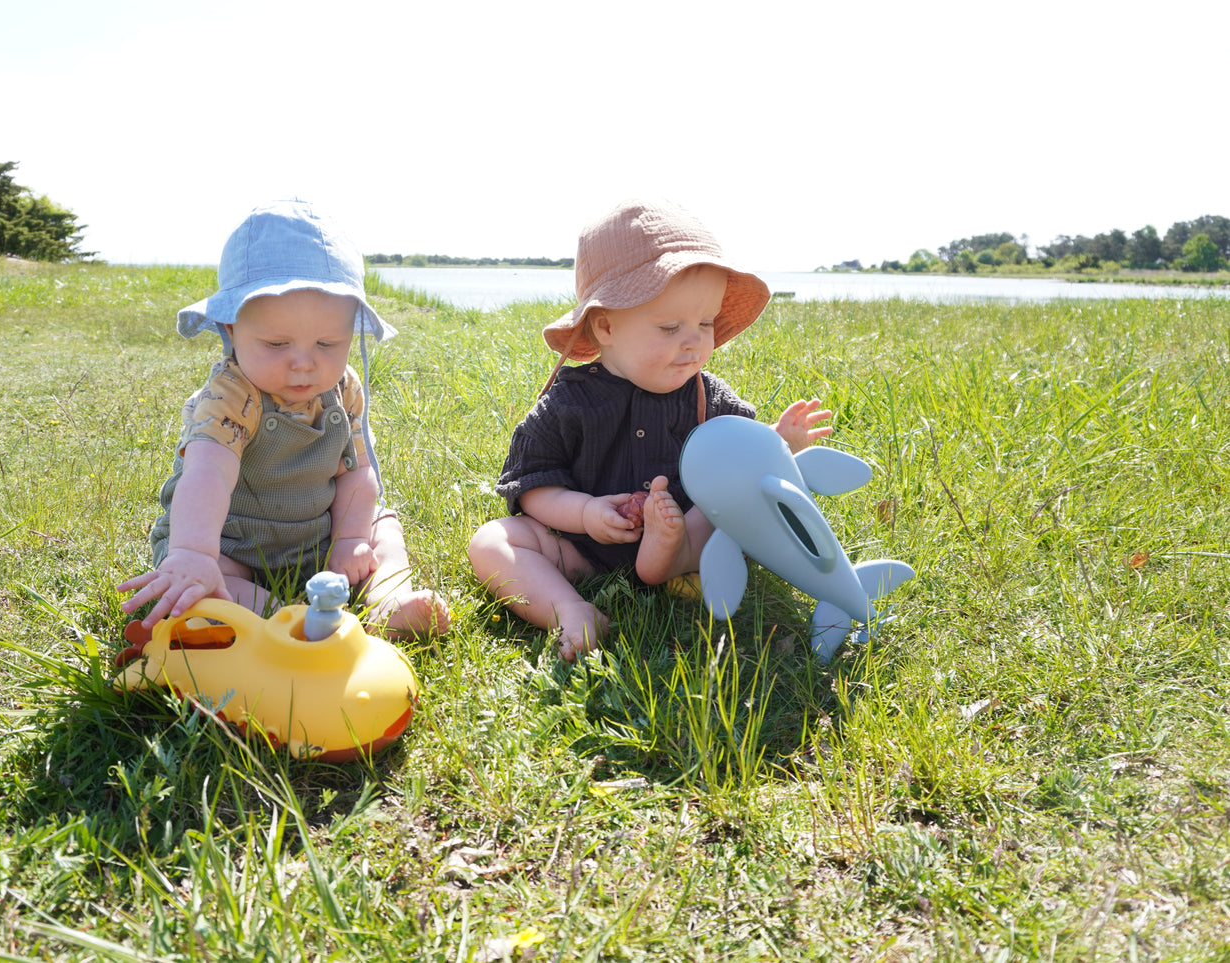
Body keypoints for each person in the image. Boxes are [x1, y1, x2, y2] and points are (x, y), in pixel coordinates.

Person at [468, 198, 832, 660]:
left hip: (686, 537)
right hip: (582, 552)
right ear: (605, 326)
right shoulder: (569, 401)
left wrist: (778, 444)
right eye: (669, 326)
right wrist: (586, 514)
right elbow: (534, 484)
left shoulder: (708, 395)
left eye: (705, 322)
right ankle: (568, 608)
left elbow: (743, 461)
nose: (695, 340)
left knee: (732, 508)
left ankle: (672, 555)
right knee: (493, 540)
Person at [118, 200, 450, 639]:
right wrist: (193, 550)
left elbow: (358, 470)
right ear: (231, 329)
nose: (303, 364)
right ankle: (276, 619)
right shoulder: (231, 393)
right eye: (276, 344)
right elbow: (207, 475)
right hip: (233, 544)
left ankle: (387, 602)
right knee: (207, 583)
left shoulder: (343, 388)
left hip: (318, 541)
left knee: (382, 528)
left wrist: (350, 539)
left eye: (328, 343)